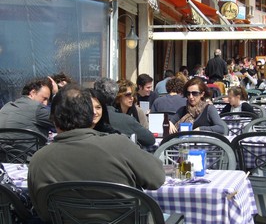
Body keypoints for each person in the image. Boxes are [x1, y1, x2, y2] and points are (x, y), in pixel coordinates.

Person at [27, 84, 165, 223]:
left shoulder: (39, 160)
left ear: (53, 119)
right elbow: (157, 178)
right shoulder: (118, 145)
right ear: (91, 116)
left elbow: (43, 211)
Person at [94, 78, 155, 146]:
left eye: (133, 94)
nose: (132, 97)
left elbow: (149, 138)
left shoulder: (138, 112)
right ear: (118, 96)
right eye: (128, 95)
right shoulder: (108, 114)